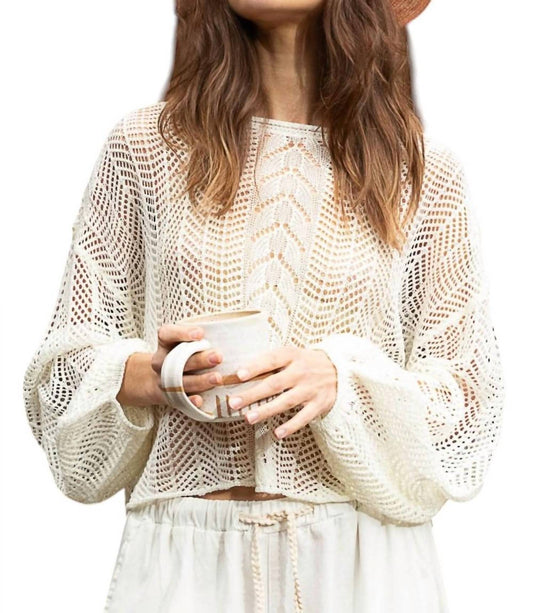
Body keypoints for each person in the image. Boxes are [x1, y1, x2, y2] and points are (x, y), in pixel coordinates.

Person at [22, 1, 505, 611]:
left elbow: (468, 413)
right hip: (186, 562)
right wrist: (150, 375)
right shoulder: (144, 149)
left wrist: (343, 381)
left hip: (360, 562)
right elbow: (58, 380)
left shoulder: (423, 173)